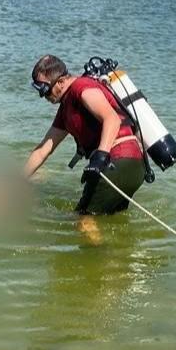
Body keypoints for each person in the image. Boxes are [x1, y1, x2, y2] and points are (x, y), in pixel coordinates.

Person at [23, 55, 147, 235]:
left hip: (115, 162)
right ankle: (117, 253)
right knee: (111, 219)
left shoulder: (81, 87)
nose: (43, 96)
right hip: (134, 166)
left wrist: (100, 158)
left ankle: (99, 252)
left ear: (61, 82)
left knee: (83, 221)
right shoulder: (65, 109)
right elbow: (43, 150)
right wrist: (19, 180)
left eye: (45, 89)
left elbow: (112, 119)